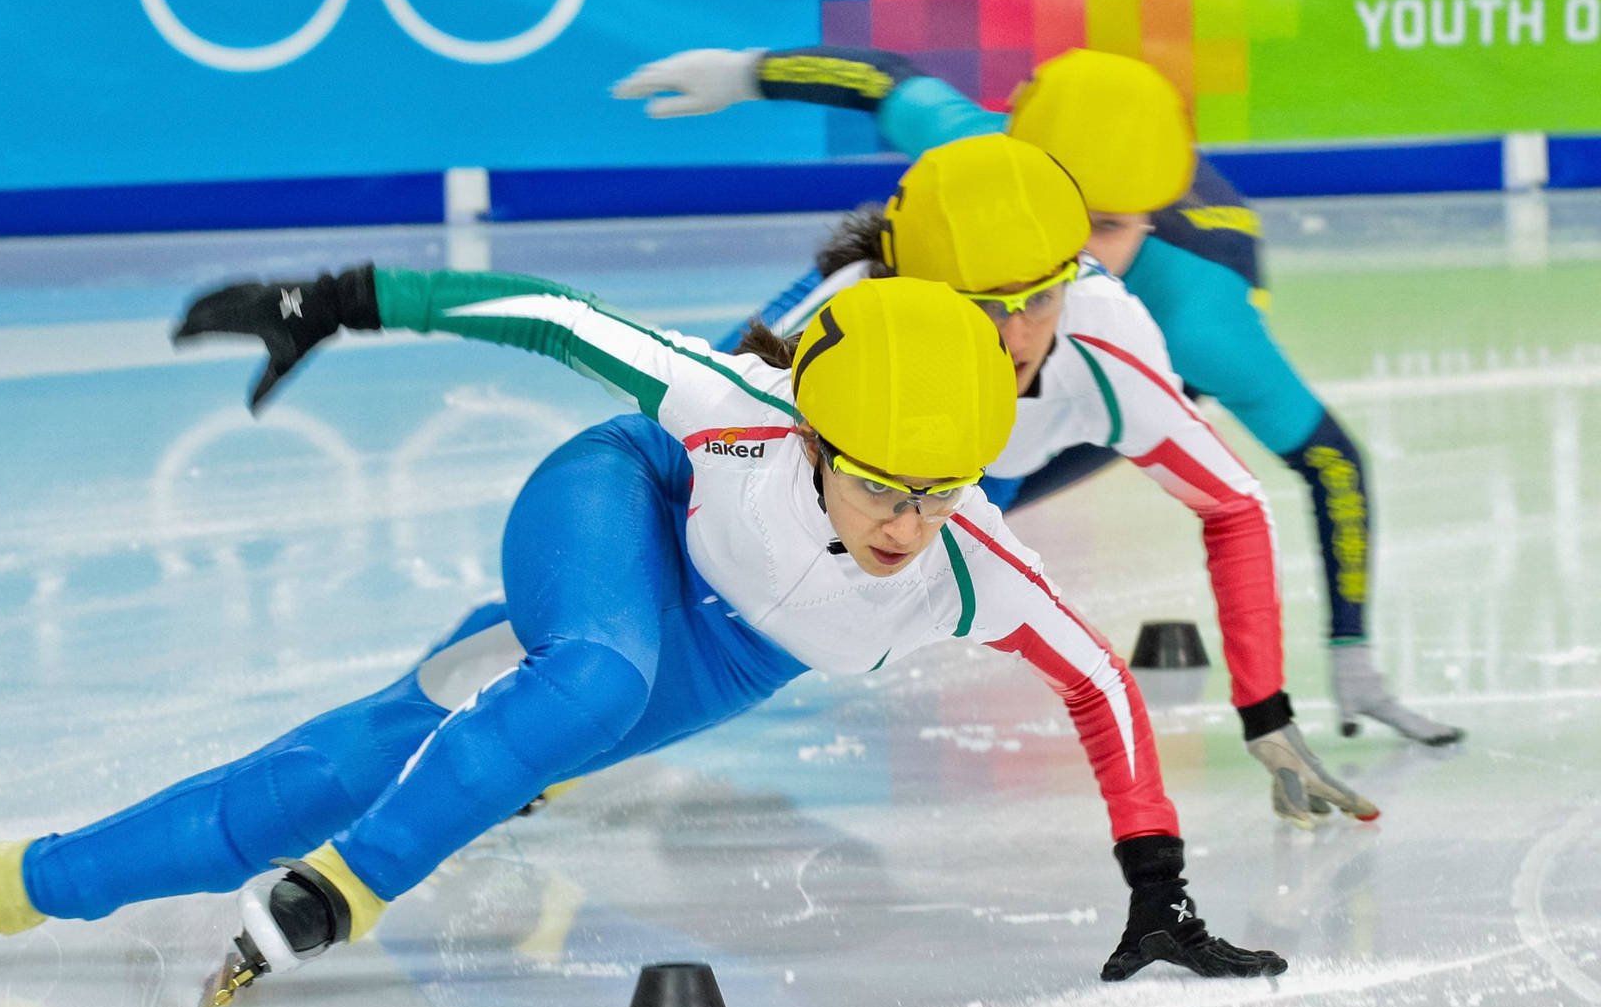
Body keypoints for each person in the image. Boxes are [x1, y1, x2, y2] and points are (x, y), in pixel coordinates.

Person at [0, 252, 1285, 1007]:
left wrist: (1158, 886)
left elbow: (1102, 689)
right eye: (880, 483)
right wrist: (337, 297)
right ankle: (349, 893)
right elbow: (551, 314)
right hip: (612, 515)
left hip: (708, 664)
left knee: (334, 771)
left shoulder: (971, 568)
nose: (904, 522)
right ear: (818, 434)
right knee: (590, 679)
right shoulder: (730, 410)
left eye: (936, 493)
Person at [614, 43, 1462, 748]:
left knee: (853, 547)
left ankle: (593, 721)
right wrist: (744, 71)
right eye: (1070, 214)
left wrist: (1352, 648)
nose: (1064, 248)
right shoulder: (985, 168)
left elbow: (1329, 461)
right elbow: (885, 82)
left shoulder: (1197, 325)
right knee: (725, 430)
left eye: (1106, 228)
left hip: (1106, 378)